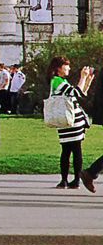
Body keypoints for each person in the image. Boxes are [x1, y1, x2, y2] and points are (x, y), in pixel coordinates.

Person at [48, 56, 91, 189]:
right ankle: (70, 180)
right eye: (66, 65)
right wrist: (82, 78)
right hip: (69, 119)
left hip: (71, 119)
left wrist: (87, 81)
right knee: (70, 150)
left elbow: (80, 94)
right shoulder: (57, 81)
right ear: (58, 68)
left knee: (70, 150)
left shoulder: (60, 81)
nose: (69, 68)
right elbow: (75, 92)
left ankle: (70, 180)